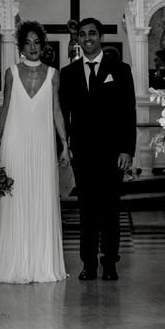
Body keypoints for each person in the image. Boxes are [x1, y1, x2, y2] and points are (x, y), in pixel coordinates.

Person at [0, 21, 69, 284]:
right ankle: (13, 262)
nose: (33, 47)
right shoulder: (10, 72)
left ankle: (41, 264)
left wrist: (65, 144)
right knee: (14, 198)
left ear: (43, 45)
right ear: (21, 46)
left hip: (42, 142)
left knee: (41, 196)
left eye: (37, 42)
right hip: (15, 141)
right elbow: (6, 108)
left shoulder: (54, 74)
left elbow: (56, 110)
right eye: (28, 42)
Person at [59, 17, 136, 281]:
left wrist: (127, 149)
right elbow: (63, 114)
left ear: (100, 36)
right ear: (78, 39)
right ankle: (88, 264)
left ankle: (110, 262)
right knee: (87, 210)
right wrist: (64, 147)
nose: (87, 38)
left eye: (92, 33)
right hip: (83, 152)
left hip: (113, 153)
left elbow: (128, 111)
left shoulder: (120, 69)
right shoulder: (68, 74)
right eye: (82, 34)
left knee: (111, 209)